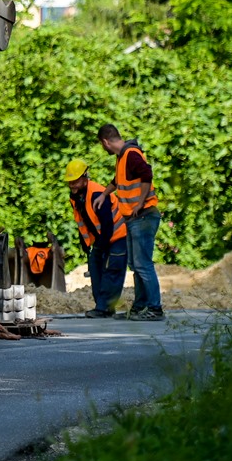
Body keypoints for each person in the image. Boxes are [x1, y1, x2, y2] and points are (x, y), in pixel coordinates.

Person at [99, 124, 164, 321]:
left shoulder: (131, 154)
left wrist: (141, 202)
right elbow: (117, 181)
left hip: (143, 216)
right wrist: (104, 195)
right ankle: (139, 307)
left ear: (105, 142)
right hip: (135, 218)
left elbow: (147, 174)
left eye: (102, 146)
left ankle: (155, 309)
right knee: (136, 264)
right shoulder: (122, 158)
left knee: (143, 264)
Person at [64, 159, 127, 319]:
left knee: (112, 272)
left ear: (85, 177)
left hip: (119, 236)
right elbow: (82, 220)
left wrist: (100, 246)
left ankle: (103, 308)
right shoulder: (76, 197)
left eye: (76, 181)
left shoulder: (97, 194)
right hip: (102, 238)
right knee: (95, 268)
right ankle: (102, 306)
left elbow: (107, 225)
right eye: (70, 182)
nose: (72, 185)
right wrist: (84, 242)